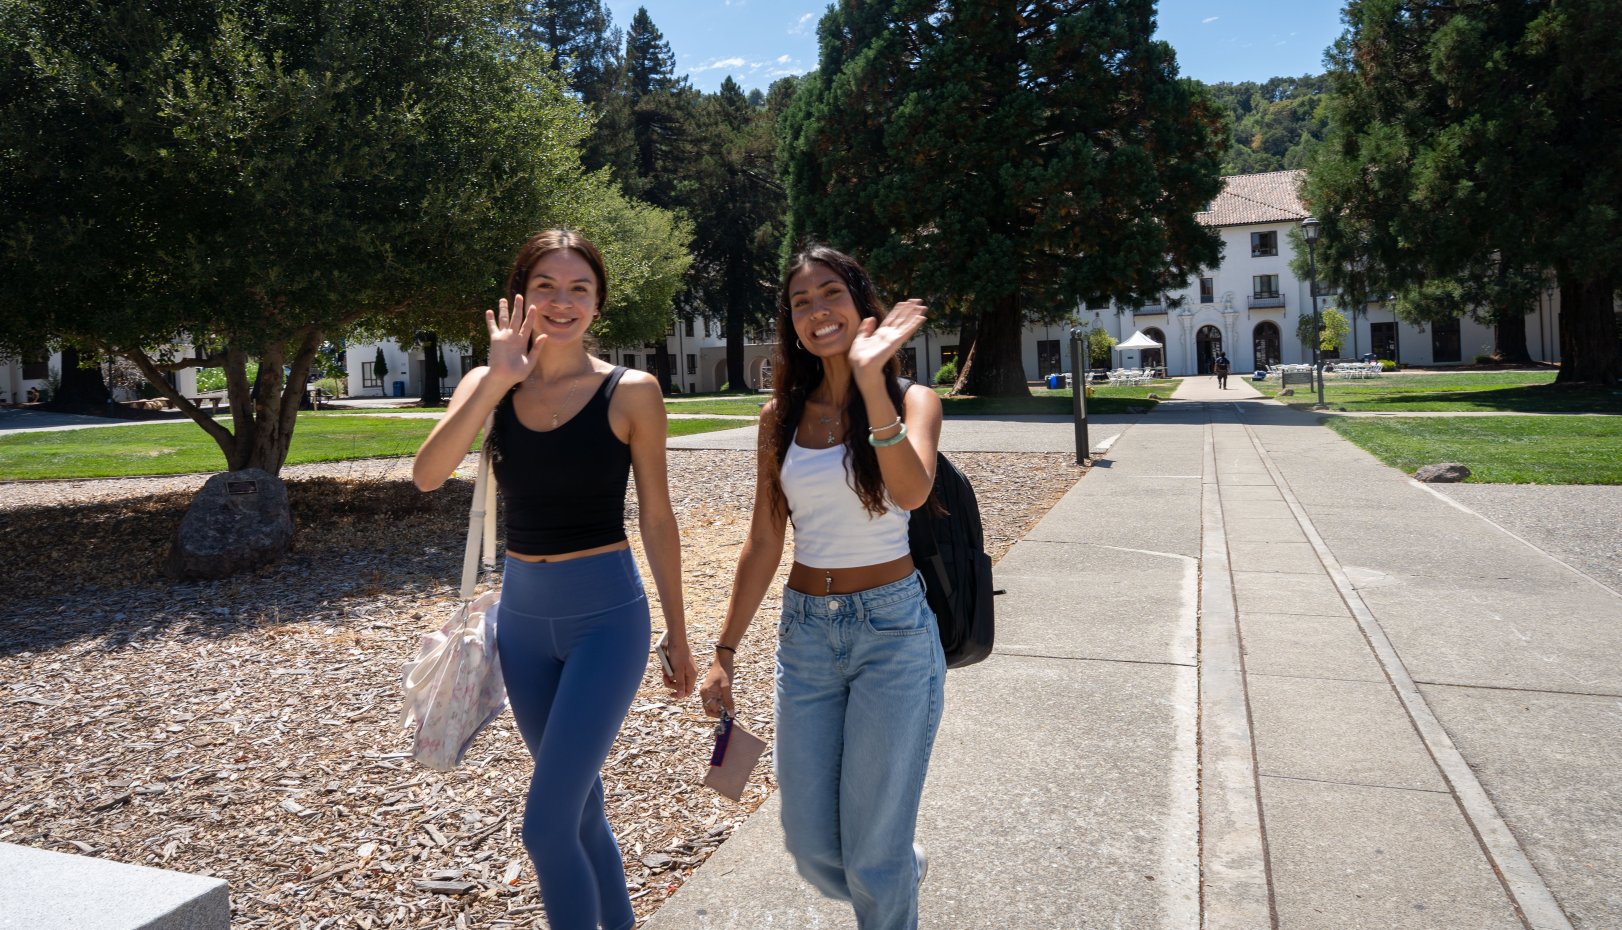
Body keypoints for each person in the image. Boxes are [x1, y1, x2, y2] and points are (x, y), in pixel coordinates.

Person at [412, 229, 697, 930]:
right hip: (523, 624)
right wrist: (497, 381)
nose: (561, 302)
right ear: (520, 297)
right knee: (581, 811)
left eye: (579, 290)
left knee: (545, 828)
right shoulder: (491, 385)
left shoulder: (632, 392)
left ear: (598, 304)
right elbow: (426, 475)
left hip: (607, 619)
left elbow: (658, 519)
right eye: (546, 287)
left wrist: (680, 632)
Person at [699, 245, 945, 930]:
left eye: (830, 293)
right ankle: (897, 868)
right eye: (800, 303)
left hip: (892, 635)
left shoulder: (912, 401)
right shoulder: (779, 420)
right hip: (806, 635)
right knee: (811, 849)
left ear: (861, 304)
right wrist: (725, 648)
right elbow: (764, 539)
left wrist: (870, 382)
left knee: (870, 856)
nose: (817, 312)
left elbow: (911, 491)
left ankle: (887, 874)